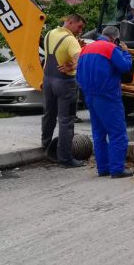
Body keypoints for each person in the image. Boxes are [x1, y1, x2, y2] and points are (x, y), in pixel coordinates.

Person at [76, 25, 134, 178]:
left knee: (99, 133)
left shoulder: (86, 49)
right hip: (108, 96)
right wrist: (126, 52)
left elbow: (78, 73)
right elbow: (125, 66)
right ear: (115, 38)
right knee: (117, 133)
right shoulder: (110, 48)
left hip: (89, 95)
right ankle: (117, 169)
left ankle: (103, 168)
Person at [41, 14, 87, 168]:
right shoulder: (70, 40)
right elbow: (80, 60)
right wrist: (72, 66)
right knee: (66, 121)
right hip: (65, 83)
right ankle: (65, 158)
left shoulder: (50, 33)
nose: (80, 31)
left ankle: (45, 145)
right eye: (79, 27)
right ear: (70, 22)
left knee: (49, 113)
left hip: (48, 80)